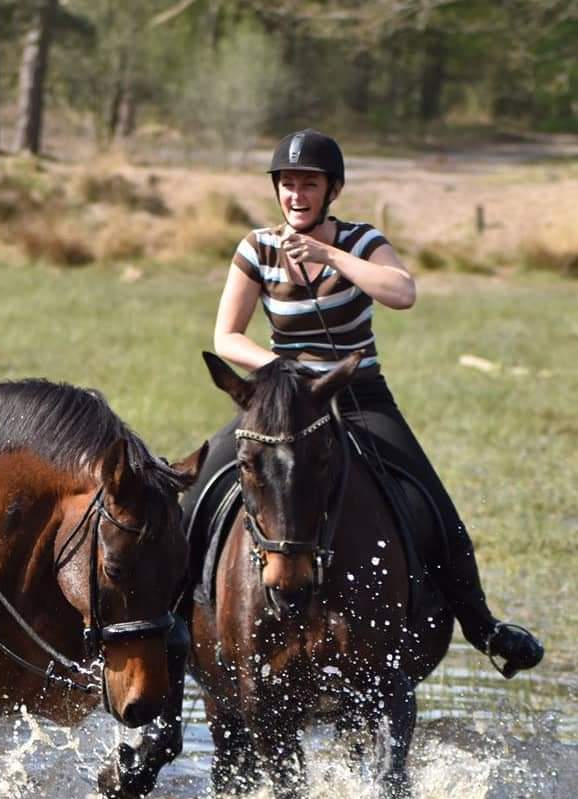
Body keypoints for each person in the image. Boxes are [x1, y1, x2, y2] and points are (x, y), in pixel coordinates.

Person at [184, 128, 542, 678]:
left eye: (309, 184)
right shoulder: (255, 248)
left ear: (333, 190)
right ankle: (168, 620)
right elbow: (227, 336)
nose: (296, 195)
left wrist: (328, 253)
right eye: (287, 185)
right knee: (196, 489)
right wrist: (288, 374)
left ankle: (483, 627)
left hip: (359, 397)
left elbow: (402, 292)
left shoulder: (360, 240)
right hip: (285, 402)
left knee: (434, 504)